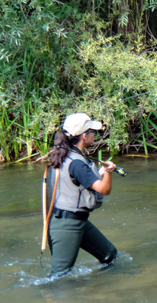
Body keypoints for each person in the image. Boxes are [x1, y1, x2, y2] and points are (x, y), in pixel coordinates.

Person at [46, 113, 118, 276]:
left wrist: (99, 172)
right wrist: (108, 172)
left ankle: (99, 292)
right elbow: (104, 189)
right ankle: (50, 299)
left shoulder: (64, 155)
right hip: (67, 225)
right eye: (93, 131)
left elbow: (75, 182)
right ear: (85, 136)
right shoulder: (77, 163)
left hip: (75, 220)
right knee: (60, 277)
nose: (95, 134)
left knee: (110, 256)